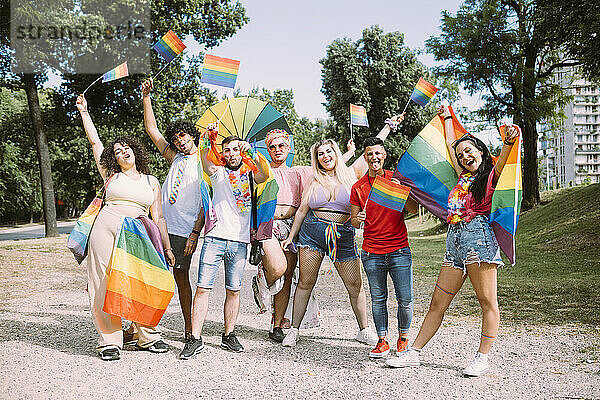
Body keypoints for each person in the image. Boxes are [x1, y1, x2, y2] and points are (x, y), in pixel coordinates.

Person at [386, 105, 520, 376]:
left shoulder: (491, 175)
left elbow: (505, 157)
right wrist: (447, 118)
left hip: (479, 241)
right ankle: (414, 353)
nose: (465, 156)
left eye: (470, 150)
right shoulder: (461, 179)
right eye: (461, 155)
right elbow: (450, 147)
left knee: (487, 302)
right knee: (438, 302)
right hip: (455, 242)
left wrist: (508, 141)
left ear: (481, 151)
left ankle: (482, 358)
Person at [76, 94, 175, 361]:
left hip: (138, 234)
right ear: (114, 158)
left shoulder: (151, 181)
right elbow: (95, 142)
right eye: (117, 151)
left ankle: (147, 336)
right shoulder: (111, 175)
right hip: (106, 228)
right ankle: (109, 341)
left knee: (142, 282)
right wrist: (85, 112)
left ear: (135, 151)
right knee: (102, 282)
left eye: (126, 148)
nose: (122, 152)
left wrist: (166, 247)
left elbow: (160, 218)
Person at [179, 126, 270, 359]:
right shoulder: (217, 172)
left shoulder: (250, 174)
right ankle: (195, 338)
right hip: (215, 238)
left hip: (239, 242)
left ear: (241, 152)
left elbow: (265, 174)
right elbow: (204, 158)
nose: (230, 153)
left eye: (235, 149)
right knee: (203, 288)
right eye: (226, 150)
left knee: (234, 290)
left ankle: (228, 335)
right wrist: (209, 139)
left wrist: (251, 151)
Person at [257, 129, 355, 342]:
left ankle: (278, 324)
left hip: (291, 224)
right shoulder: (263, 170)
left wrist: (349, 152)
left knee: (289, 274)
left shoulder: (300, 172)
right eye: (272, 147)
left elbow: (330, 165)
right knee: (277, 268)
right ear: (267, 150)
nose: (277, 150)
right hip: (269, 223)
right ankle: (263, 277)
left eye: (281, 146)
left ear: (288, 148)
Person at [279, 139, 377, 347]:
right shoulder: (314, 180)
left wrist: (388, 126)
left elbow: (372, 149)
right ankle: (294, 330)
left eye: (329, 151)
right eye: (320, 154)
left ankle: (364, 330)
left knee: (355, 284)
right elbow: (302, 211)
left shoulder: (351, 175)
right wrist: (290, 237)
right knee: (306, 282)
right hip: (313, 233)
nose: (325, 156)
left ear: (336, 153)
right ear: (317, 160)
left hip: (342, 234)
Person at [140, 78, 204, 341]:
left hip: (183, 230)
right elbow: (151, 129)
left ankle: (190, 329)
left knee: (181, 278)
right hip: (160, 224)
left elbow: (207, 202)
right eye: (176, 137)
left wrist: (194, 234)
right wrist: (146, 97)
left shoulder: (206, 161)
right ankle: (141, 327)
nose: (179, 140)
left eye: (183, 135)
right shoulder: (173, 156)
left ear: (192, 136)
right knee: (148, 274)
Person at [350, 136, 418, 358]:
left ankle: (403, 339)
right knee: (378, 299)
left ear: (384, 155)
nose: (374, 157)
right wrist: (359, 218)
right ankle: (382, 341)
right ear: (365, 157)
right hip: (371, 252)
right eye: (369, 154)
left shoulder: (396, 179)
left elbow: (414, 210)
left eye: (377, 153)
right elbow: (353, 221)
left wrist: (403, 191)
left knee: (405, 298)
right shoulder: (358, 187)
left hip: (399, 250)